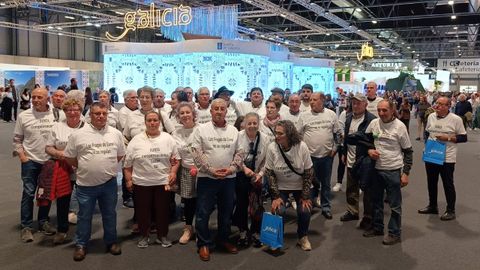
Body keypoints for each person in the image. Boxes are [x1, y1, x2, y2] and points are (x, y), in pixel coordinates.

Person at [64, 102, 125, 261]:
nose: (101, 116)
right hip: (85, 185)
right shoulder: (78, 134)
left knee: (110, 214)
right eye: (97, 113)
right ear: (90, 115)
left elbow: (119, 155)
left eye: (104, 113)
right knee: (84, 216)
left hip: (109, 183)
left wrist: (105, 166)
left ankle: (111, 241)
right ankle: (81, 244)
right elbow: (70, 157)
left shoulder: (116, 133)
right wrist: (86, 167)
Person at [190, 98, 244, 261]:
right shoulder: (201, 129)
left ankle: (223, 239)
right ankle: (204, 244)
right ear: (211, 111)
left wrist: (232, 169)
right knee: (203, 212)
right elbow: (196, 152)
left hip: (229, 178)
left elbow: (240, 152)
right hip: (207, 178)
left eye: (222, 108)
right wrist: (211, 170)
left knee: (226, 211)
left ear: (226, 111)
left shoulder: (234, 131)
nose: (219, 111)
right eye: (216, 109)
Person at [124, 111, 180, 249]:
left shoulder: (168, 138)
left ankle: (163, 236)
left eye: (155, 120)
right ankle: (144, 236)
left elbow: (176, 159)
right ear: (145, 122)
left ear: (159, 122)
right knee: (143, 211)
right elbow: (127, 164)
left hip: (163, 182)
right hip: (142, 182)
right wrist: (129, 180)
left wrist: (173, 172)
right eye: (149, 120)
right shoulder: (136, 140)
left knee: (163, 211)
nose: (152, 123)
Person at [363, 100, 413, 245]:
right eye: (379, 110)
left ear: (392, 110)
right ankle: (378, 227)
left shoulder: (400, 127)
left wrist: (406, 173)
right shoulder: (374, 124)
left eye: (384, 110)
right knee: (376, 202)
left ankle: (394, 233)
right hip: (376, 170)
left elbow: (408, 152)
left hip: (393, 170)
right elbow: (365, 142)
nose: (381, 113)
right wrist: (369, 150)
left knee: (395, 205)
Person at [13, 87, 55, 243]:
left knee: (45, 194)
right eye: (34, 97)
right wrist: (23, 157)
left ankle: (43, 221)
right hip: (30, 162)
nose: (36, 100)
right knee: (28, 194)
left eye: (40, 97)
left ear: (47, 98)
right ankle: (26, 226)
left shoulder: (55, 114)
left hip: (49, 162)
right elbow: (17, 139)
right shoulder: (24, 116)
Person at [266, 120, 314, 251]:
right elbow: (269, 173)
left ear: (289, 134)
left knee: (305, 210)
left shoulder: (301, 146)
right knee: (278, 210)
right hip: (281, 186)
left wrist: (305, 196)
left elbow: (309, 171)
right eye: (276, 133)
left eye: (280, 133)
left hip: (300, 185)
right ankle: (275, 239)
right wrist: (275, 196)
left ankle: (302, 237)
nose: (277, 136)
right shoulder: (272, 147)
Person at [44, 97, 85, 244]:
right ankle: (62, 230)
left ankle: (84, 232)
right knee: (63, 200)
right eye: (69, 109)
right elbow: (48, 147)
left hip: (83, 169)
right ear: (64, 111)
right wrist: (60, 154)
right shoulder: (57, 127)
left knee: (85, 201)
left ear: (81, 111)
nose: (72, 112)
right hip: (63, 169)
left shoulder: (88, 126)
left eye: (76, 109)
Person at [418, 96, 467, 221]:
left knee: (448, 184)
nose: (437, 106)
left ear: (448, 106)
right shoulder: (431, 116)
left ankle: (451, 210)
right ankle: (432, 206)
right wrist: (427, 146)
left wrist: (448, 138)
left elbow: (463, 138)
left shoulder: (456, 119)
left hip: (447, 157)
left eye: (440, 104)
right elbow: (428, 132)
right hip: (431, 154)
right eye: (436, 103)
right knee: (431, 182)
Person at [298, 92, 341, 220]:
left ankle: (326, 207)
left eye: (314, 99)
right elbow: (298, 135)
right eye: (310, 100)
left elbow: (338, 133)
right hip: (309, 157)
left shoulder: (331, 114)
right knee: (309, 183)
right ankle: (309, 206)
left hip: (327, 156)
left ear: (322, 100)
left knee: (326, 183)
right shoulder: (304, 116)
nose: (311, 102)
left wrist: (335, 149)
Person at [340, 93, 377, 230]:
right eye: (353, 103)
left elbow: (373, 141)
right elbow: (346, 138)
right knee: (351, 187)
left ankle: (368, 216)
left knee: (367, 190)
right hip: (350, 157)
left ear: (365, 104)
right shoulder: (348, 117)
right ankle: (352, 211)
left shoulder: (372, 120)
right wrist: (344, 152)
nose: (355, 105)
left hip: (364, 159)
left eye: (358, 103)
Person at [232, 112, 268, 247]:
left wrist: (260, 174)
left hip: (257, 176)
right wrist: (244, 168)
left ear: (258, 124)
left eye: (255, 123)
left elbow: (266, 160)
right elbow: (234, 156)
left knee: (256, 206)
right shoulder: (237, 137)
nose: (252, 126)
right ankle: (242, 232)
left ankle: (255, 232)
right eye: (249, 123)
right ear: (244, 124)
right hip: (241, 175)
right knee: (241, 205)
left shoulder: (265, 139)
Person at [172, 102, 199, 244]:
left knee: (203, 201)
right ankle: (188, 228)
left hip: (203, 171)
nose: (185, 115)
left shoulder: (202, 129)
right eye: (182, 113)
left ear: (193, 114)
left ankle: (201, 229)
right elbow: (175, 154)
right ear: (178, 116)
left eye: (187, 112)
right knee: (188, 201)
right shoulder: (176, 133)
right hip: (186, 170)